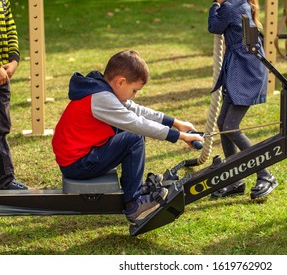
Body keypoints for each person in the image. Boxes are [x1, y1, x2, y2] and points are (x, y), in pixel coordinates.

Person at [52, 50, 204, 224]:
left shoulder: (101, 88)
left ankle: (134, 189)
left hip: (80, 157)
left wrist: (175, 122)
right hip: (77, 164)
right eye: (134, 90)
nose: (134, 95)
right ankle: (134, 204)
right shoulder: (101, 98)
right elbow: (137, 123)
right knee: (134, 137)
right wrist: (181, 136)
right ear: (121, 82)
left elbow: (136, 110)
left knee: (130, 135)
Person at [208, 0, 277, 199]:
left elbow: (214, 26)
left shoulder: (229, 6)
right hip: (239, 68)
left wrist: (214, 6)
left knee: (230, 125)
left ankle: (266, 174)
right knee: (223, 123)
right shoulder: (237, 3)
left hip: (247, 71)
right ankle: (235, 180)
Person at [0, 0, 27, 190]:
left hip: (2, 77)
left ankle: (5, 180)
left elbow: (10, 27)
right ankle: (5, 180)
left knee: (2, 127)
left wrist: (14, 59)